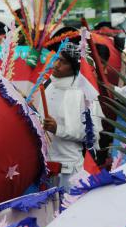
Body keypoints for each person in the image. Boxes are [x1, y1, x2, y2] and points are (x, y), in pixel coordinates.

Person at [41, 42, 102, 188]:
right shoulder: (47, 84)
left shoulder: (85, 94)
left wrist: (59, 129)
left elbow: (93, 135)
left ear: (75, 67)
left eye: (63, 62)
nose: (56, 65)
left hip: (70, 171)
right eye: (57, 59)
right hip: (45, 167)